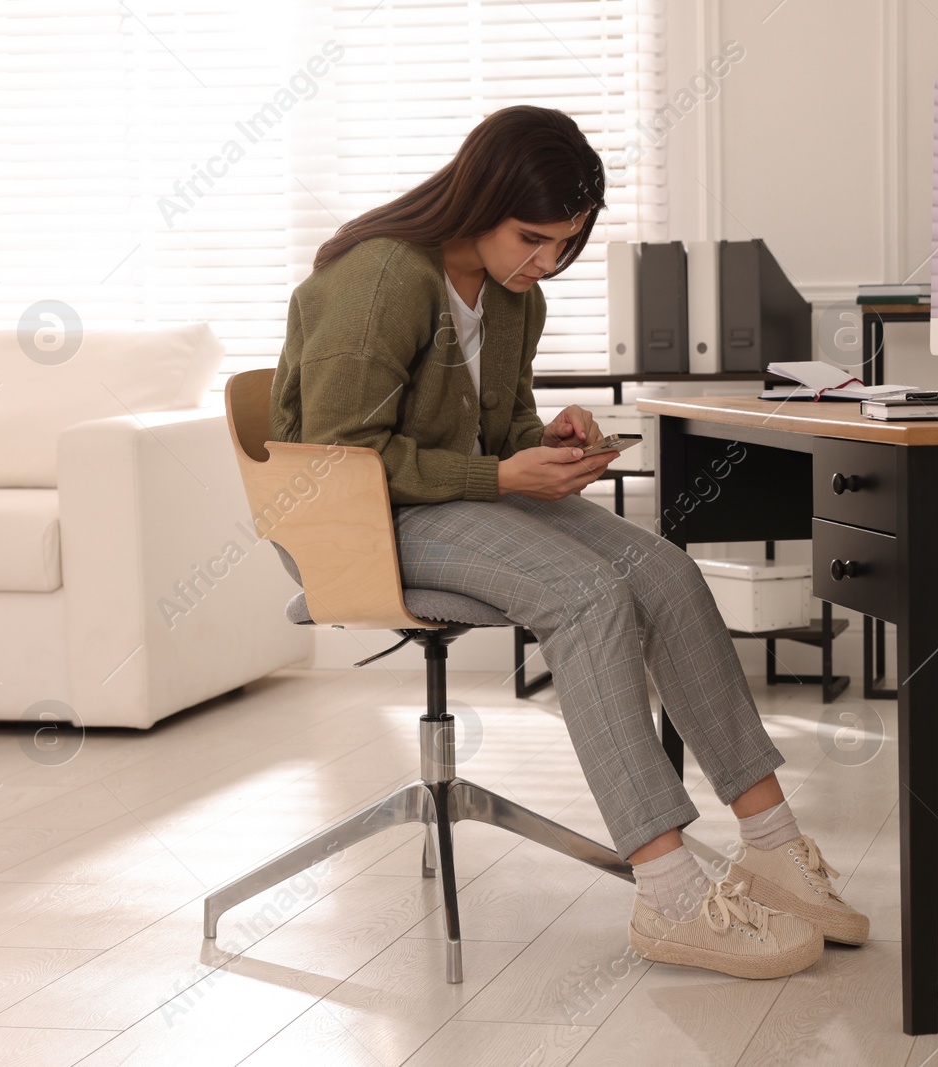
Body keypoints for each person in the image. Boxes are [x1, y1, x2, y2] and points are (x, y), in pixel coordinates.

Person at [269, 104, 867, 979]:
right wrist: (501, 479)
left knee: (661, 569)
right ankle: (667, 894)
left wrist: (546, 442)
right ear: (478, 197)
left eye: (564, 244)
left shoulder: (515, 296)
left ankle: (772, 846)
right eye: (532, 238)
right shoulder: (380, 279)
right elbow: (339, 460)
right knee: (587, 595)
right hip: (354, 524)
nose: (545, 261)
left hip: (446, 504)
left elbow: (496, 429)